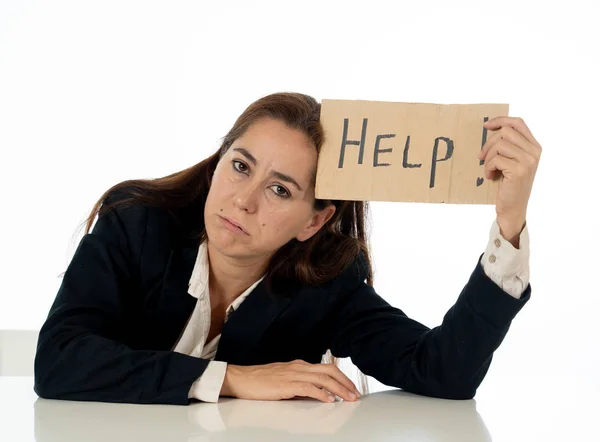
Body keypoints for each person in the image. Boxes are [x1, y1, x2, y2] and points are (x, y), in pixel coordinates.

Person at [33, 92, 540, 406]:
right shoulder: (135, 225)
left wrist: (509, 221)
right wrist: (231, 379)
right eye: (240, 166)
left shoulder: (327, 283)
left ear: (314, 220)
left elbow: (443, 371)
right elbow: (58, 362)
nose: (244, 201)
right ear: (217, 162)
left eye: (280, 190)